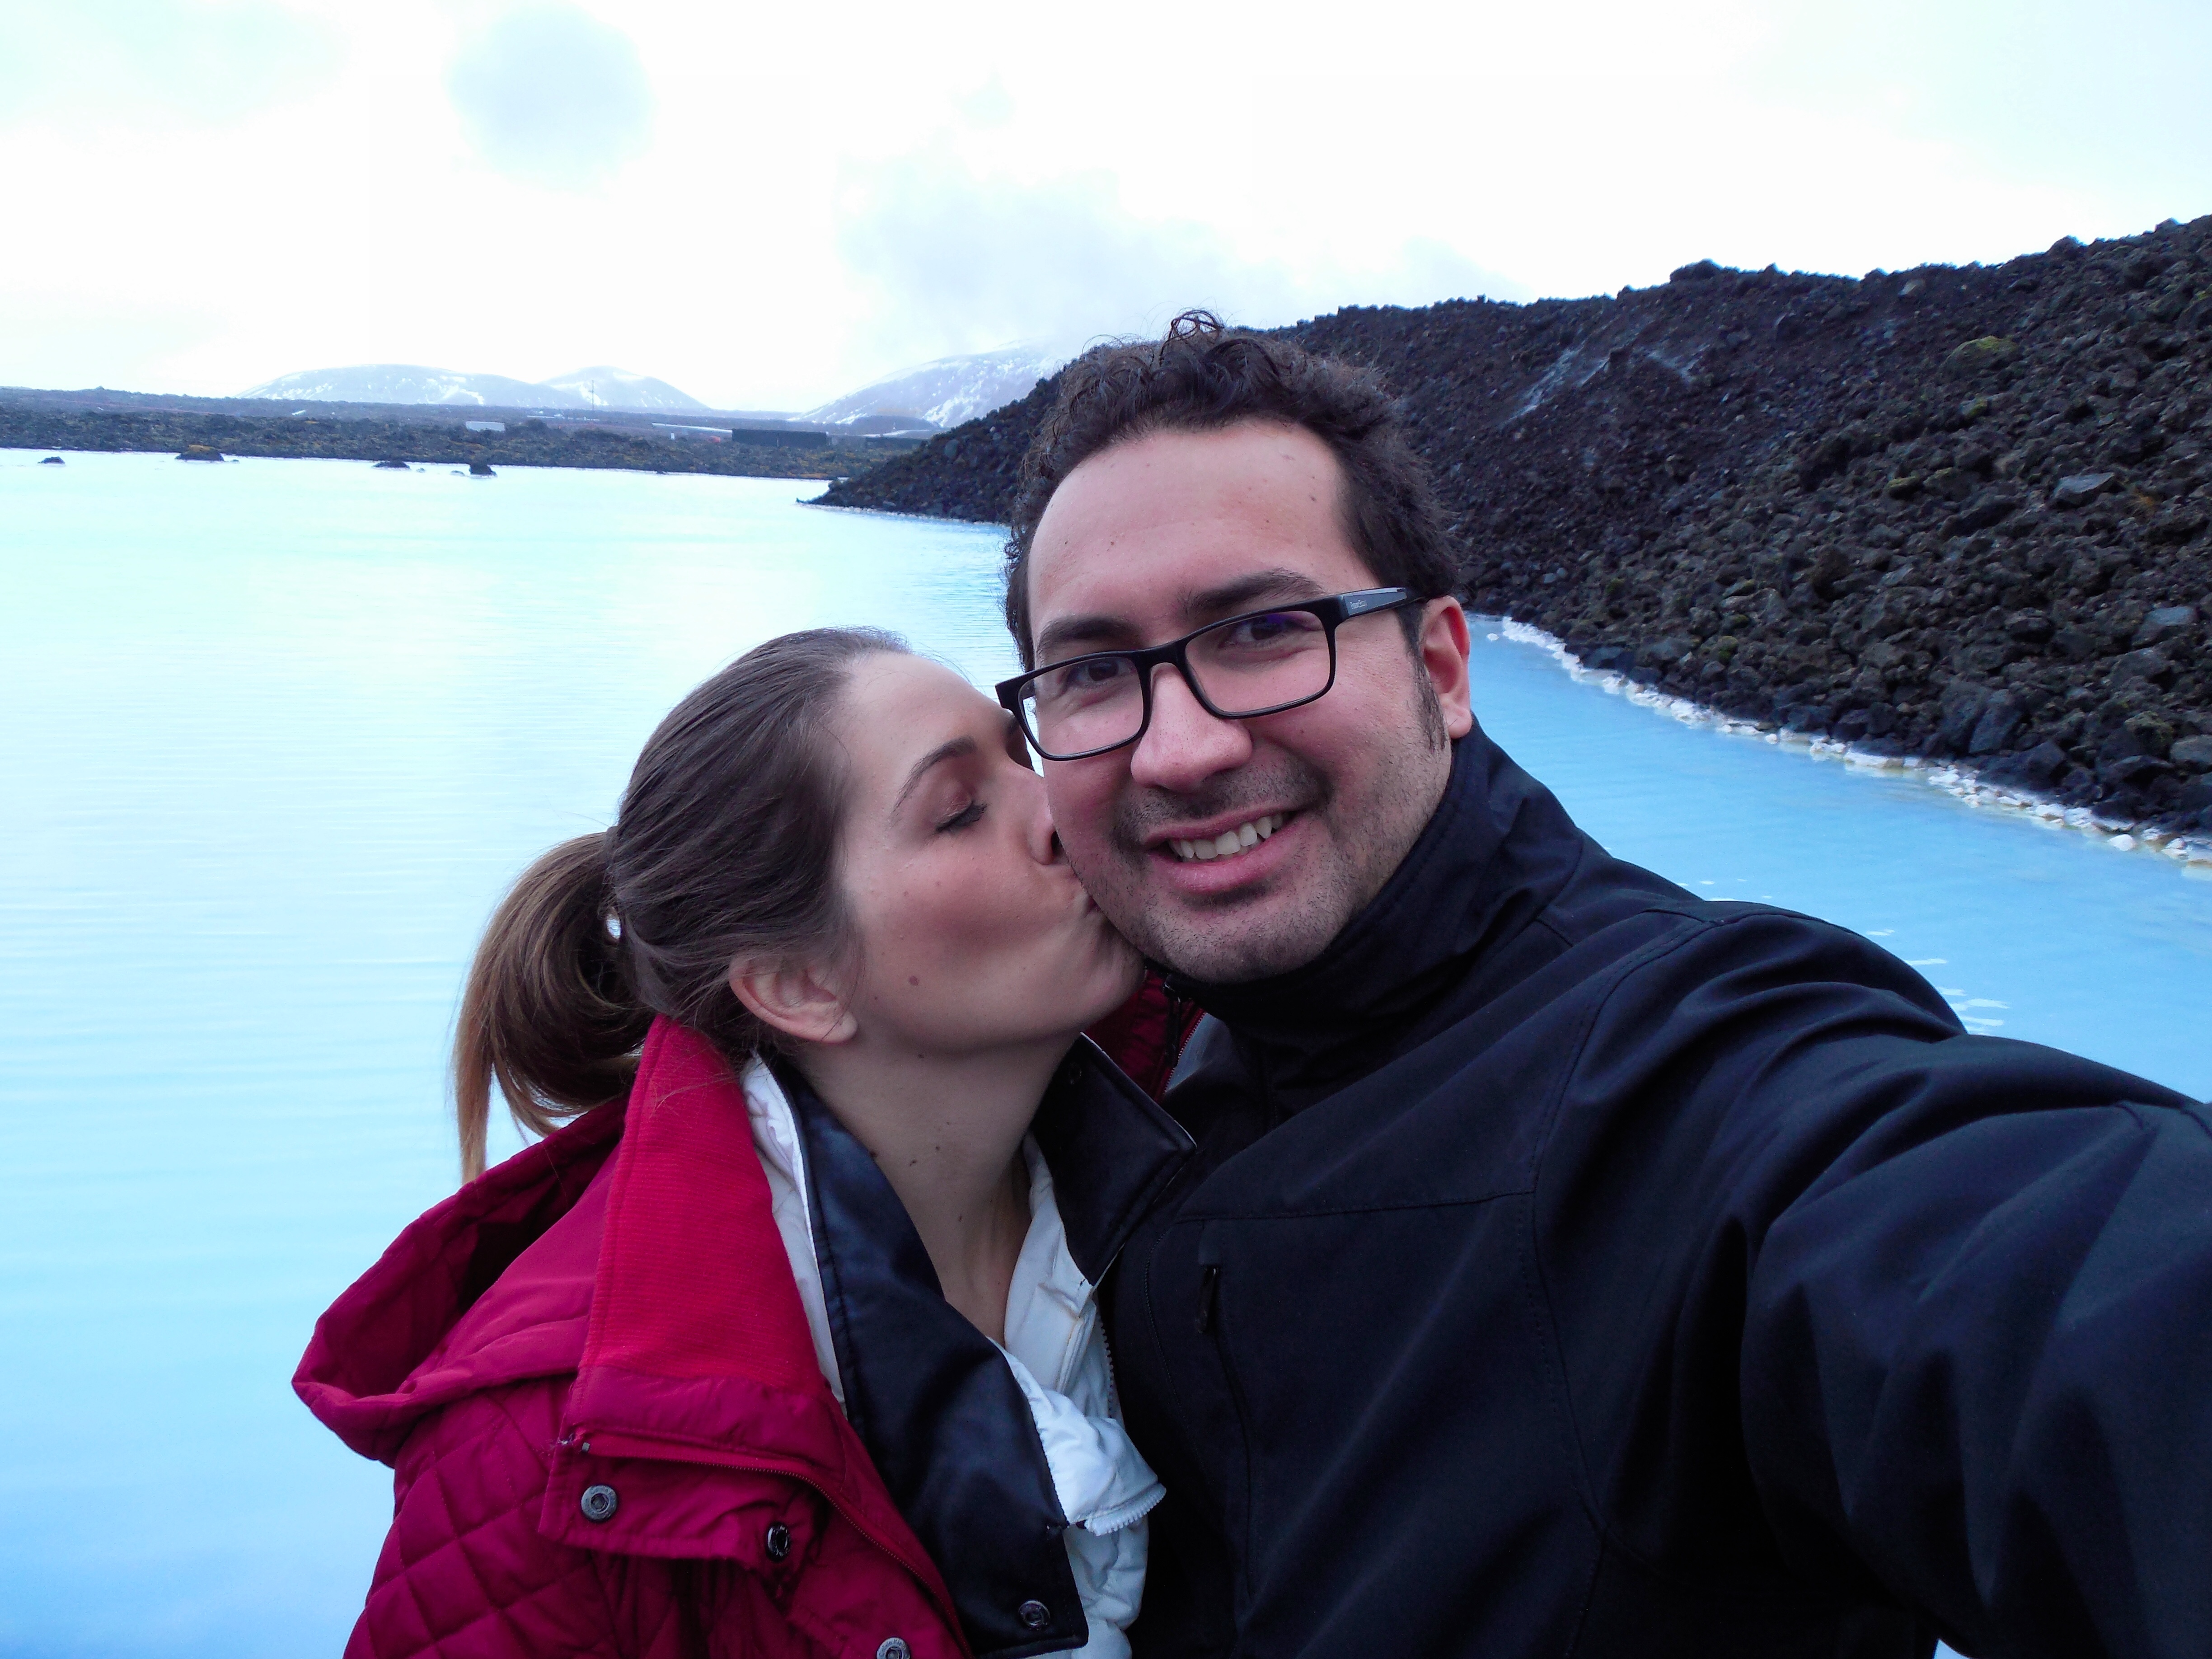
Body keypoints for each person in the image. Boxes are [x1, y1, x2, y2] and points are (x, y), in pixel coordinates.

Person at [991, 313, 2212, 1659]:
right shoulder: (1100, 1069)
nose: (1177, 749)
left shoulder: (1689, 1071)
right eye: (1095, 672)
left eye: (1267, 630)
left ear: (1442, 669)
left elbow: (2053, 1298)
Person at [296, 628, 1200, 1659]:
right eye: (959, 812)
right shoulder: (552, 1455)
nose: (1063, 808)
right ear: (797, 986)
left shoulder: (1222, 1124)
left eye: (1022, 758)